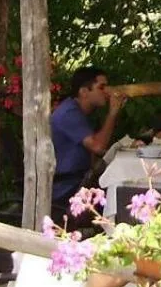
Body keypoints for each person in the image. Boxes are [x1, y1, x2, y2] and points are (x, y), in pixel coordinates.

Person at [50, 66, 127, 225]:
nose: (107, 92)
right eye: (101, 87)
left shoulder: (77, 111)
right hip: (66, 186)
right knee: (122, 192)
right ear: (84, 91)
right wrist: (113, 112)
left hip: (77, 179)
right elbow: (98, 146)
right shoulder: (69, 114)